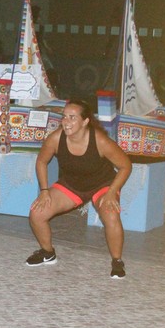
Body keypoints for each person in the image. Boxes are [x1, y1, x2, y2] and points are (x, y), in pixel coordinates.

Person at [26, 99, 132, 278]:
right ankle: (47, 253)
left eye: (72, 117)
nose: (66, 122)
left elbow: (125, 166)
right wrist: (44, 191)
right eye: (64, 116)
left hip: (102, 185)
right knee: (37, 213)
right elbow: (41, 161)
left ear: (85, 122)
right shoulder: (56, 138)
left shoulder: (100, 140)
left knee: (111, 215)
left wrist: (112, 192)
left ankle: (117, 261)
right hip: (72, 185)